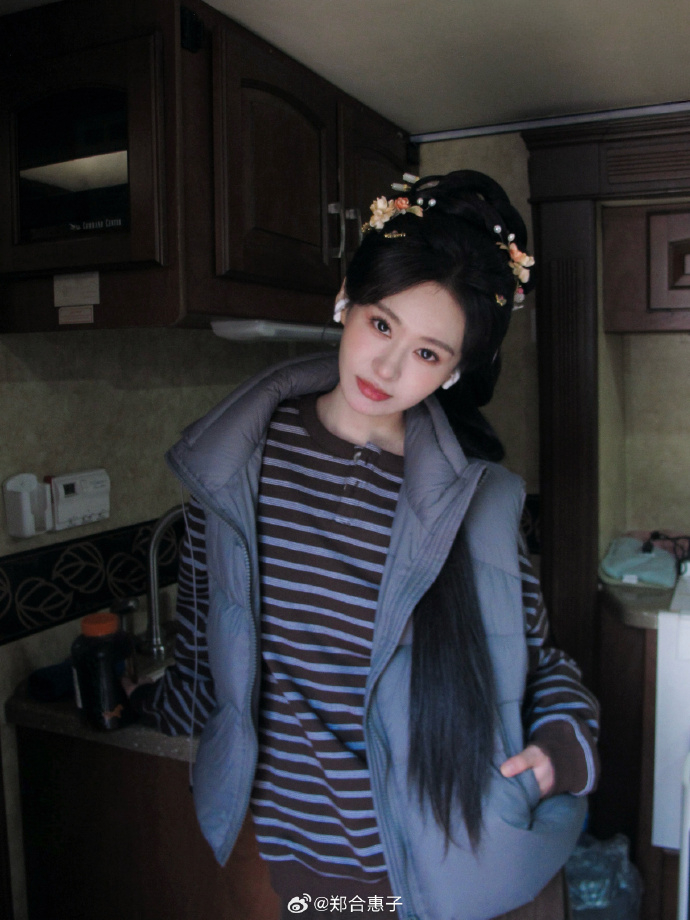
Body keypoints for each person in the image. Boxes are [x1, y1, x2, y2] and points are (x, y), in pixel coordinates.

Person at [128, 170, 600, 920]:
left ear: (455, 371)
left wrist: (557, 755)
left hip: (451, 859)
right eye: (382, 325)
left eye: (427, 353)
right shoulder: (234, 466)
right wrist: (139, 706)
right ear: (346, 298)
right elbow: (203, 658)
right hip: (302, 861)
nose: (387, 369)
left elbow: (540, 667)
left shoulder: (477, 506)